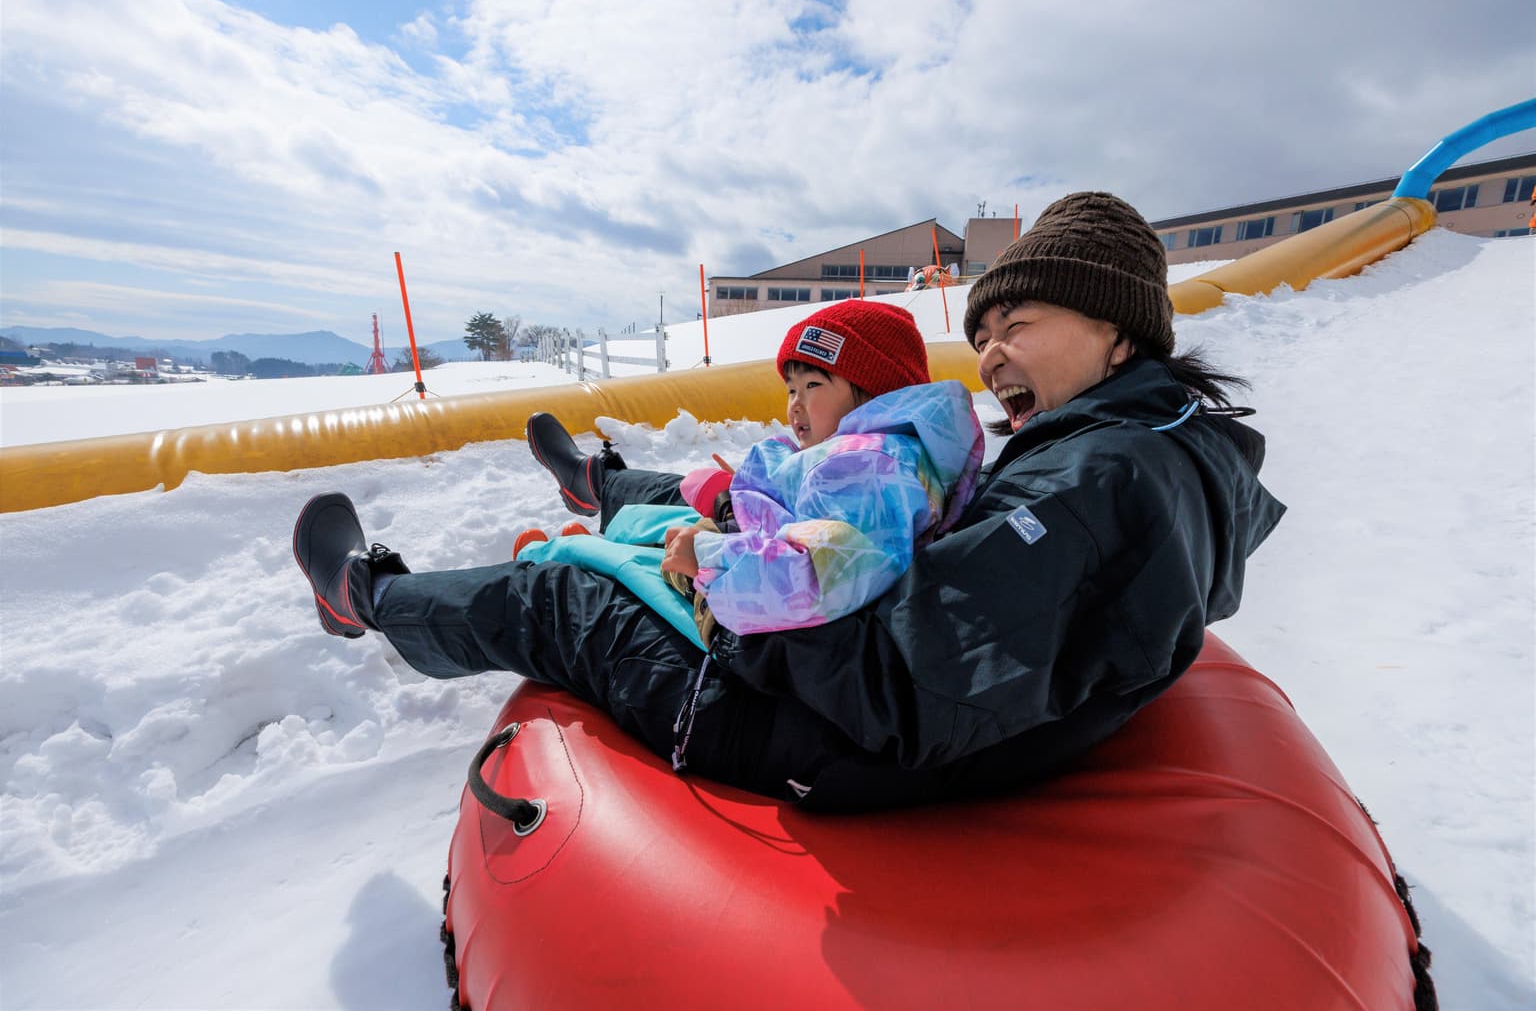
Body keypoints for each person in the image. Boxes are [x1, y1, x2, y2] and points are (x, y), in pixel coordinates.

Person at [294, 191, 1285, 811]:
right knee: (738, 505)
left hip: (829, 744)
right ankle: (607, 485)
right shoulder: (1160, 451)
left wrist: (720, 596)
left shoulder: (1083, 482)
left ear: (1120, 335)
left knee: (557, 598)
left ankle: (364, 600)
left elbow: (903, 689)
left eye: (1017, 322)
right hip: (917, 715)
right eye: (981, 332)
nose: (990, 354)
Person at [516, 299, 982, 651]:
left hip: (749, 600)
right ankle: (592, 496)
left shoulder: (870, 468)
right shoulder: (867, 454)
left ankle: (557, 550)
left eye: (814, 385)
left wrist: (711, 553)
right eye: (791, 388)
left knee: (650, 553)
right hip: (755, 549)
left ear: (874, 395)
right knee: (676, 512)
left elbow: (816, 574)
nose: (795, 404)